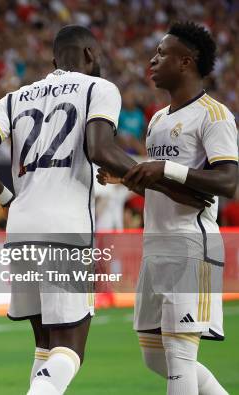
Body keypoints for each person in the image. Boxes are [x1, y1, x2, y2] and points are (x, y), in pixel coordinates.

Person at [0, 25, 211, 395]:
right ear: (91, 56)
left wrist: (6, 199)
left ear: (53, 60)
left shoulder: (15, 98)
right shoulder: (99, 89)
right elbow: (100, 149)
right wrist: (165, 186)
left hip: (20, 227)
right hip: (65, 227)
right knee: (70, 347)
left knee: (45, 345)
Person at [100, 22, 236, 395]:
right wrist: (127, 178)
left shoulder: (215, 115)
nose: (153, 59)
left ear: (186, 62)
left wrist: (163, 168)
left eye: (162, 54)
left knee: (178, 354)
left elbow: (227, 183)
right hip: (155, 245)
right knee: (154, 356)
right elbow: (167, 188)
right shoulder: (159, 120)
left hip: (191, 244)